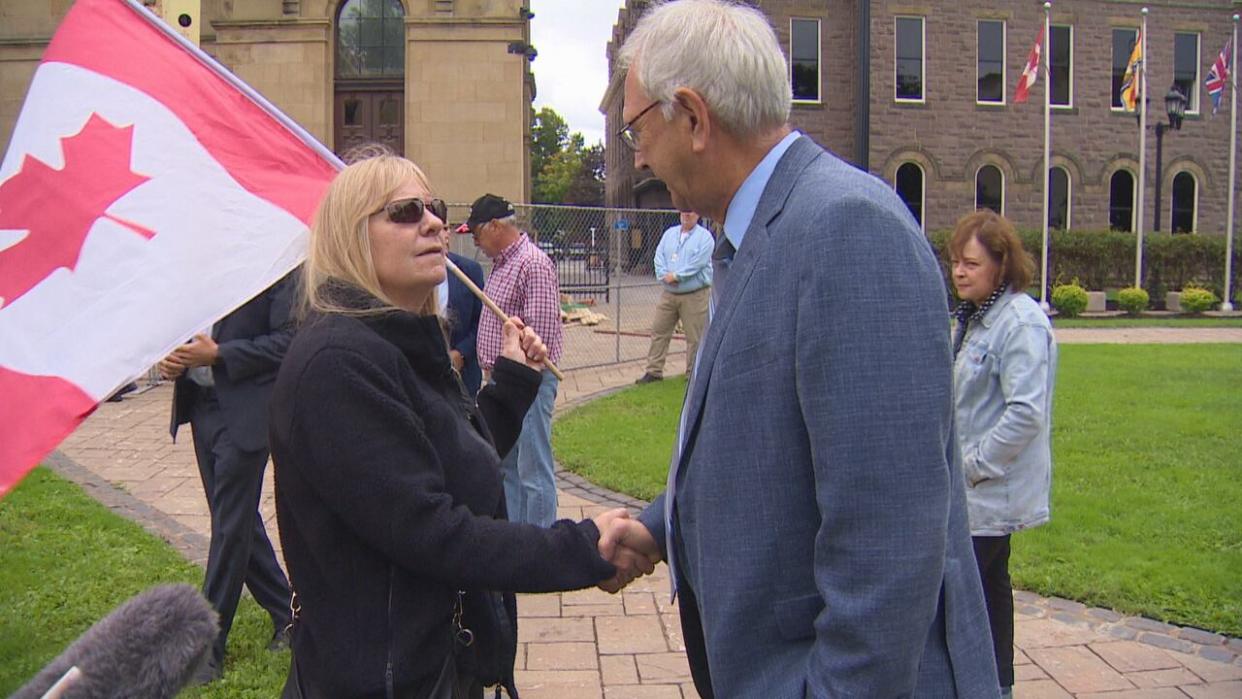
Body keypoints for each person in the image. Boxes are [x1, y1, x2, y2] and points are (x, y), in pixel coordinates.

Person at [596, 1, 999, 696]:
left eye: (638, 127)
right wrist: (663, 525)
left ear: (692, 117)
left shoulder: (847, 229)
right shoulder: (757, 231)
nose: (638, 153)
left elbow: (889, 540)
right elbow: (762, 437)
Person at [268, 155, 647, 698]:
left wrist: (513, 385)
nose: (433, 223)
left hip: (440, 664)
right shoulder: (336, 365)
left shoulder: (401, 344)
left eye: (435, 208)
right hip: (382, 679)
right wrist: (579, 548)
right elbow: (431, 530)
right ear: (351, 237)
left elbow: (453, 470)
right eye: (404, 211)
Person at [158, 273, 296, 682]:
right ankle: (287, 614)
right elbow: (184, 329)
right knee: (237, 522)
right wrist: (172, 358)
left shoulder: (277, 267)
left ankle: (206, 650)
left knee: (229, 527)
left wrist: (219, 354)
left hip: (246, 411)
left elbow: (289, 341)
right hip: (201, 406)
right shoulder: (205, 262)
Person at [948, 210, 1058, 699]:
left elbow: (1025, 415)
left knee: (960, 597)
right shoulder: (975, 318)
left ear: (1001, 265)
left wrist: (971, 468)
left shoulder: (1020, 324)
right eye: (955, 262)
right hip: (975, 497)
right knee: (989, 592)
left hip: (989, 494)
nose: (959, 272)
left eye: (971, 263)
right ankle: (996, 687)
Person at [460, 194, 563, 528]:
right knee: (507, 466)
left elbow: (541, 335)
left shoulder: (533, 264)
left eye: (476, 233)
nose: (474, 242)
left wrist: (519, 370)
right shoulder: (502, 265)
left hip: (528, 383)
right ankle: (516, 538)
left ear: (494, 227)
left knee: (533, 468)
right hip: (502, 382)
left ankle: (542, 545)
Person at [635, 210, 713, 384]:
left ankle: (693, 374)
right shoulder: (669, 234)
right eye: (684, 211)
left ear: (698, 214)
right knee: (659, 330)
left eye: (691, 212)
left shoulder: (705, 238)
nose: (686, 214)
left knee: (695, 336)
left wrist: (677, 276)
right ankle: (654, 372)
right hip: (669, 294)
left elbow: (698, 263)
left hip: (695, 294)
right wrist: (664, 275)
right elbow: (659, 256)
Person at [441, 232, 486, 396]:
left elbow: (482, 322)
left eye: (444, 227)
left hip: (464, 377)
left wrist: (461, 353)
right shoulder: (406, 275)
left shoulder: (469, 271)